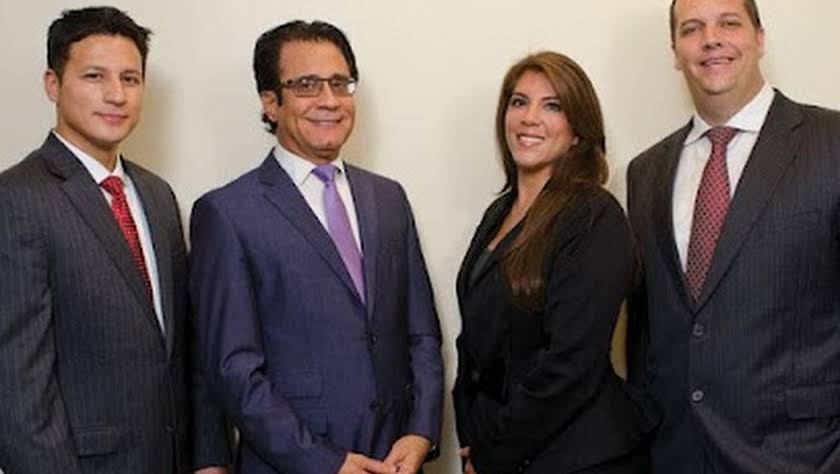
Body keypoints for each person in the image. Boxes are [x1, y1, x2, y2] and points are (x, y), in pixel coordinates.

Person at [188, 20, 443, 474]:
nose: (329, 100)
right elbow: (233, 369)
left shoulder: (388, 198)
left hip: (397, 460)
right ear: (271, 102)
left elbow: (421, 334)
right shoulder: (226, 213)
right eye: (306, 85)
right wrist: (325, 462)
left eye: (340, 83)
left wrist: (421, 431)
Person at [0, 6, 230, 474]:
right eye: (94, 76)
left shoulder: (157, 195)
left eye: (130, 79)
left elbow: (185, 346)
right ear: (52, 84)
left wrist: (210, 457)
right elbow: (17, 381)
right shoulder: (17, 197)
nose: (116, 95)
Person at [626, 0, 840, 472]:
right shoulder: (646, 172)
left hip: (804, 456)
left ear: (759, 38)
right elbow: (646, 329)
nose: (711, 40)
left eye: (729, 23)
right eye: (692, 29)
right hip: (675, 454)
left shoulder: (831, 142)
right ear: (675, 51)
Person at [453, 51, 659, 474]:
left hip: (579, 458)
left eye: (552, 106)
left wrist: (491, 454)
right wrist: (474, 435)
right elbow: (476, 342)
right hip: (506, 448)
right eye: (519, 102)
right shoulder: (500, 212)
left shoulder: (594, 216)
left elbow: (570, 365)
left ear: (578, 132)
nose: (529, 118)